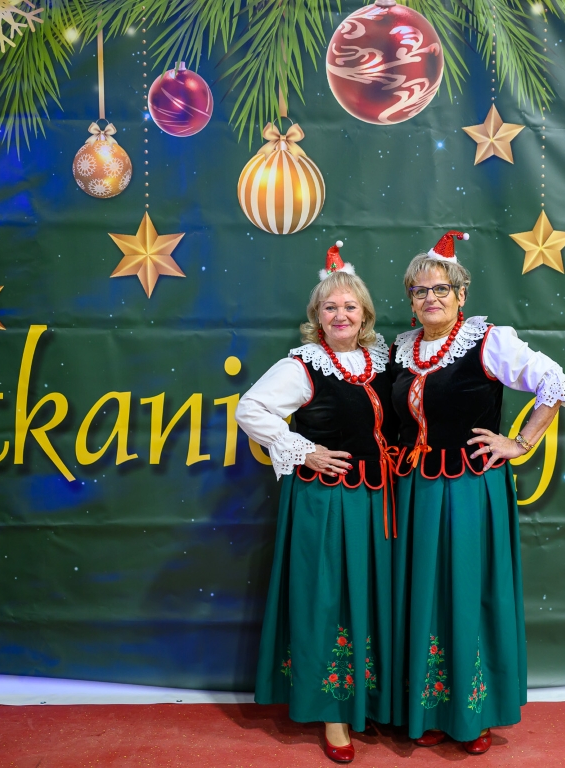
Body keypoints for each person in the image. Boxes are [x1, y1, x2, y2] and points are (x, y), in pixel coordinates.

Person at [389, 231, 565, 754]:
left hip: (470, 492)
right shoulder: (401, 349)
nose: (431, 298)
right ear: (411, 300)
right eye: (420, 291)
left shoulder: (489, 340)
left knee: (466, 592)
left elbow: (554, 383)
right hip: (414, 494)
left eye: (441, 289)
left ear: (461, 294)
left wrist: (519, 442)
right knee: (422, 595)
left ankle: (473, 714)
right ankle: (427, 707)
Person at [236, 242, 398, 764]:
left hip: (378, 503)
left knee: (372, 597)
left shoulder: (383, 360)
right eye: (330, 307)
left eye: (350, 306)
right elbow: (250, 409)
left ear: (365, 314)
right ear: (317, 317)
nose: (340, 314)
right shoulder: (302, 366)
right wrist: (304, 450)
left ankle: (368, 700)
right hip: (326, 503)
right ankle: (332, 712)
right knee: (327, 598)